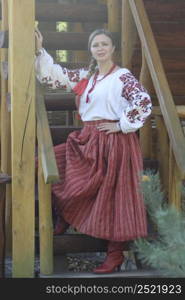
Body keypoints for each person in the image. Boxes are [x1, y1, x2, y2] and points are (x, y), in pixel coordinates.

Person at [35, 28, 152, 274]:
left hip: (115, 142)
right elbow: (55, 76)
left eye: (104, 44)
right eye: (95, 44)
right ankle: (66, 213)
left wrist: (121, 124)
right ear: (91, 49)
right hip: (88, 138)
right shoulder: (87, 76)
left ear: (113, 49)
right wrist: (39, 49)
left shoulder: (122, 76)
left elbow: (143, 101)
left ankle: (115, 254)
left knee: (116, 198)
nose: (100, 48)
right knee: (49, 163)